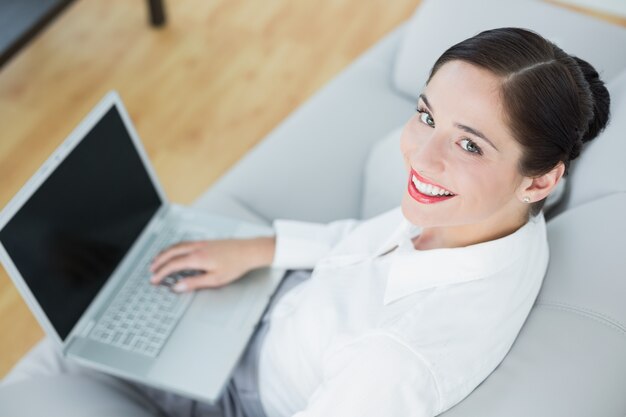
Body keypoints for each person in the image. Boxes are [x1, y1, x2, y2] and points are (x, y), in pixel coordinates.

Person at [1, 27, 610, 417]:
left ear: (542, 179)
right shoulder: (497, 215)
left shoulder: (393, 362)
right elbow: (362, 249)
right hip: (283, 308)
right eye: (426, 116)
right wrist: (262, 249)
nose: (421, 158)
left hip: (242, 392)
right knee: (100, 268)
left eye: (469, 145)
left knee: (73, 325)